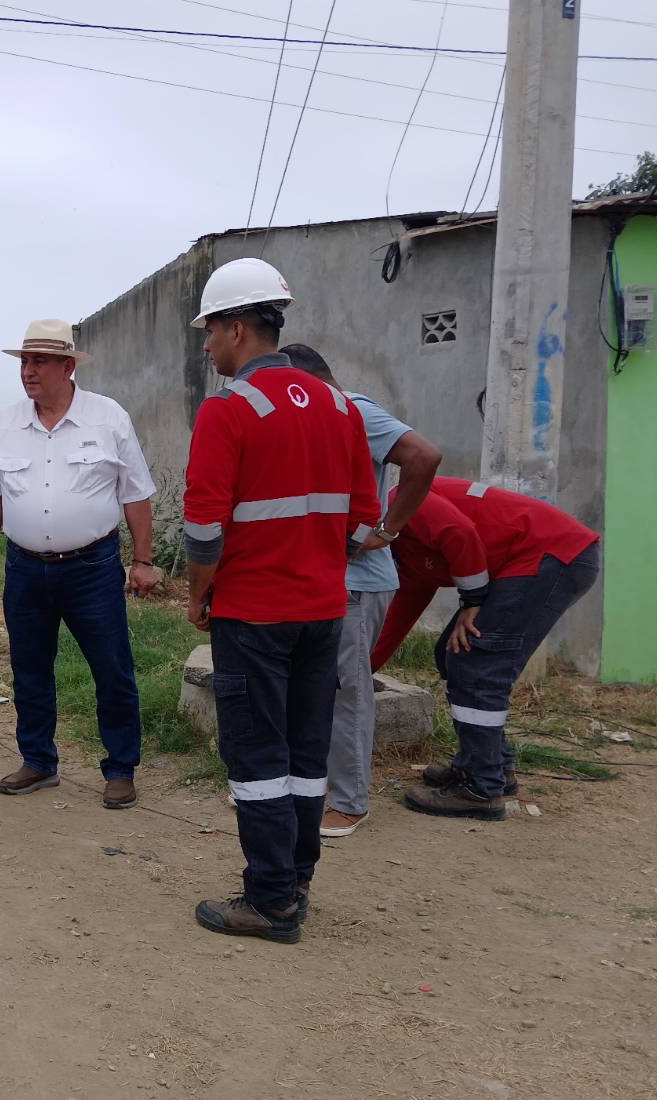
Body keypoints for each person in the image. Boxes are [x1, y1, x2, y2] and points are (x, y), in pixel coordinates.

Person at [180, 259, 380, 944]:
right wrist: (317, 561)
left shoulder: (227, 410)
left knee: (258, 757)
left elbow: (203, 529)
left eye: (210, 332)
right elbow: (363, 519)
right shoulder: (341, 407)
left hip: (253, 614)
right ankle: (294, 880)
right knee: (304, 752)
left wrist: (199, 596)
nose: (208, 346)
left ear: (238, 328)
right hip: (324, 611)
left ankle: (269, 901)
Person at [0, 319, 158, 810]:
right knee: (29, 668)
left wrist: (143, 561)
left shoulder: (107, 417)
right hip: (25, 569)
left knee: (112, 669)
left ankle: (120, 768)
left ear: (68, 367)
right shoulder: (6, 424)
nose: (28, 371)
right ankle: (38, 760)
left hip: (92, 568)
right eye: (24, 362)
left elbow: (136, 493)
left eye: (40, 362)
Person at [281, 345, 443, 838]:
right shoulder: (315, 417)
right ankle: (302, 789)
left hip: (358, 583)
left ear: (306, 380)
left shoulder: (354, 410)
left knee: (347, 692)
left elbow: (424, 457)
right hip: (319, 580)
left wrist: (388, 529)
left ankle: (350, 801)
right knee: (307, 689)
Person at [370, 478, 601, 821]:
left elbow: (460, 533)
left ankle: (480, 788)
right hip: (533, 560)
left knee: (476, 660)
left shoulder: (400, 502)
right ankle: (489, 765)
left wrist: (472, 599)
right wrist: (355, 672)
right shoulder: (405, 557)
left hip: (550, 554)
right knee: (450, 653)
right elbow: (395, 621)